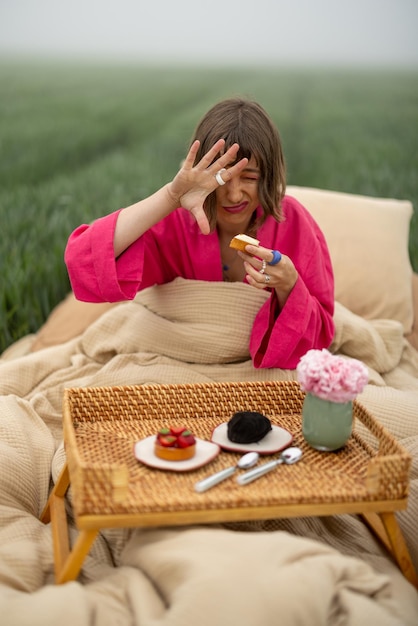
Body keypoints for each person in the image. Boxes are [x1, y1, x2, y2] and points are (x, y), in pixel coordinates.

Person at [65, 98, 335, 369]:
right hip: (180, 366)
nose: (234, 194)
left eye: (250, 178)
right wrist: (171, 196)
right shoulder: (178, 222)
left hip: (256, 373)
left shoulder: (294, 222)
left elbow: (321, 336)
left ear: (270, 176)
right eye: (221, 178)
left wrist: (289, 286)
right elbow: (83, 262)